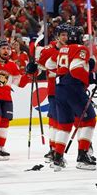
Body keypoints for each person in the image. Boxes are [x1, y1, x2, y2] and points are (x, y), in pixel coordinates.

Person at [50, 26, 97, 171]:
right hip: (73, 87)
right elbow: (76, 70)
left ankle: (57, 157)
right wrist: (93, 76)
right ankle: (82, 156)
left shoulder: (63, 49)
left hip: (60, 88)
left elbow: (51, 64)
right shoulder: (81, 49)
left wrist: (87, 65)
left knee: (65, 124)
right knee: (89, 120)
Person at [40, 24, 68, 162]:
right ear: (57, 36)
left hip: (70, 89)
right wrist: (32, 69)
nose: (65, 37)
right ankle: (53, 148)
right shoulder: (47, 50)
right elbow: (39, 67)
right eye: (62, 34)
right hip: (54, 90)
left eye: (67, 35)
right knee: (54, 120)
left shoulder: (72, 49)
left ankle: (87, 148)